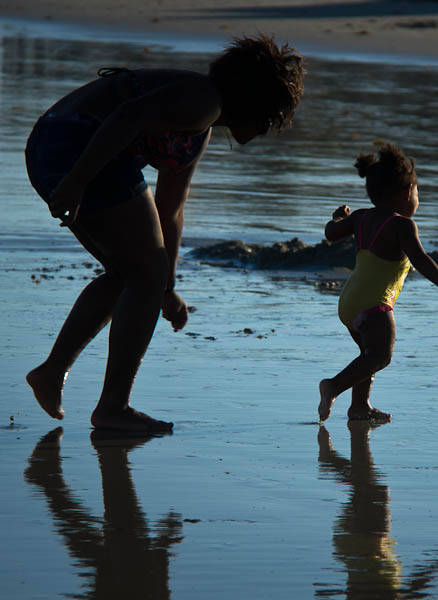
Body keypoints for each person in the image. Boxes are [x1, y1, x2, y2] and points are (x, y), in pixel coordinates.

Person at [24, 35, 305, 432]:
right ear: (253, 100)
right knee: (142, 274)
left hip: (55, 148)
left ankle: (53, 373)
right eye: (269, 117)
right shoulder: (202, 99)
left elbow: (170, 210)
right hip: (74, 149)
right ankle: (112, 408)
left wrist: (167, 286)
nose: (266, 129)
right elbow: (126, 117)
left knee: (132, 274)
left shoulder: (201, 124)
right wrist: (77, 181)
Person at [318, 144, 438, 422]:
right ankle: (333, 386)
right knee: (381, 356)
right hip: (375, 302)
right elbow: (422, 260)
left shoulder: (361, 217)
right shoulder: (402, 225)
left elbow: (331, 233)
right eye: (417, 192)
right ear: (406, 193)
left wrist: (338, 217)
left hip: (349, 300)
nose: (417, 198)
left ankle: (360, 407)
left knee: (367, 355)